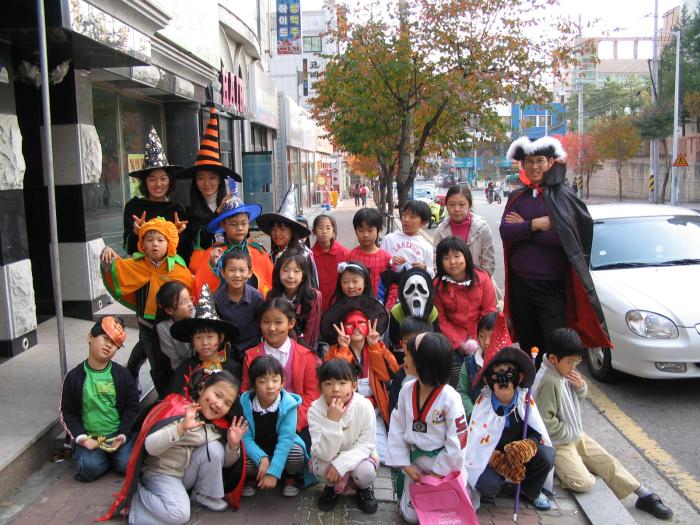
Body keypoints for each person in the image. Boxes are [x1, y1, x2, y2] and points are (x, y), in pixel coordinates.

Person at [532, 328, 673, 520]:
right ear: (553, 359)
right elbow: (546, 423)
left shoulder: (562, 371)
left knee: (606, 460)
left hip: (574, 435)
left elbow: (576, 398)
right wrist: (569, 433)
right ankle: (560, 468)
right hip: (558, 442)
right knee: (583, 483)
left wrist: (580, 387)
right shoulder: (549, 381)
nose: (573, 367)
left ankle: (643, 493)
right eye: (570, 362)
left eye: (576, 361)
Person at [500, 136, 610, 367]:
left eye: (539, 160)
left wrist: (525, 229)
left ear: (550, 162)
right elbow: (506, 231)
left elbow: (564, 238)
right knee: (529, 346)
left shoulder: (564, 196)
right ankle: (532, 385)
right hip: (522, 287)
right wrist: (536, 225)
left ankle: (554, 387)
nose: (534, 166)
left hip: (551, 289)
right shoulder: (517, 197)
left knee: (555, 345)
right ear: (523, 165)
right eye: (529, 161)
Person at [112, 368, 248, 524]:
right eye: (217, 395)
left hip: (183, 473)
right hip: (160, 472)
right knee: (180, 514)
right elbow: (150, 446)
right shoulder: (178, 410)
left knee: (215, 449)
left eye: (227, 403)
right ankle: (135, 501)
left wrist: (232, 445)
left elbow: (226, 463)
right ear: (202, 388)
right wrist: (180, 428)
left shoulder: (218, 425)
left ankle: (203, 494)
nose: (219, 404)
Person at [466, 313, 554, 511]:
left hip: (520, 454)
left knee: (546, 455)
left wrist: (526, 446)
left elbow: (536, 432)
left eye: (508, 373)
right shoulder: (483, 405)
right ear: (488, 380)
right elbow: (475, 442)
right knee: (487, 484)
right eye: (497, 375)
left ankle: (530, 490)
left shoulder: (524, 402)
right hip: (493, 456)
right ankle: (495, 486)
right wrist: (496, 459)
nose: (503, 380)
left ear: (519, 377)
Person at [101, 217, 194, 398]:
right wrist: (107, 255)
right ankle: (164, 398)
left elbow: (191, 287)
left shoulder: (178, 268)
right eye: (149, 240)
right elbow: (114, 270)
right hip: (147, 323)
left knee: (157, 353)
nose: (155, 244)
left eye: (160, 240)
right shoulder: (135, 265)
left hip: (169, 323)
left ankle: (133, 370)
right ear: (142, 244)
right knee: (157, 363)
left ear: (169, 243)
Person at [387, 332, 469, 524]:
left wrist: (438, 472)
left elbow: (458, 441)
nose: (404, 359)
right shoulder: (407, 390)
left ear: (424, 363)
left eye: (408, 356)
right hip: (415, 465)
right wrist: (405, 464)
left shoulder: (450, 398)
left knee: (441, 517)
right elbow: (397, 427)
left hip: (442, 466)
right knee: (411, 516)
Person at [59, 316, 138, 482]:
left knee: (127, 464)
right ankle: (101, 459)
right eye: (105, 338)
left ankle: (110, 458)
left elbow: (133, 408)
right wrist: (82, 438)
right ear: (90, 337)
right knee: (88, 468)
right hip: (89, 437)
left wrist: (122, 435)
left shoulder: (122, 374)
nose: (109, 345)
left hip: (117, 435)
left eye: (114, 343)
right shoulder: (73, 377)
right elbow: (67, 412)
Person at [321, 296, 399, 463]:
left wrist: (375, 346)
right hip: (345, 410)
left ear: (369, 325)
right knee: (346, 451)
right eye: (350, 324)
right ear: (342, 327)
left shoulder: (377, 346)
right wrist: (343, 349)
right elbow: (334, 379)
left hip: (374, 410)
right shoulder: (334, 351)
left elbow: (389, 374)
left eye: (361, 323)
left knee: (383, 457)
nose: (356, 328)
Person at [241, 298, 320, 448]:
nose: (271, 328)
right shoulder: (251, 356)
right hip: (261, 422)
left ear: (291, 323)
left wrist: (293, 422)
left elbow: (312, 395)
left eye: (278, 322)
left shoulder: (306, 356)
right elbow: (246, 392)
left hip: (297, 422)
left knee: (296, 453)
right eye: (266, 322)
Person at [308, 359, 379, 514]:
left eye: (342, 383)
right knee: (320, 468)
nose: (335, 389)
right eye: (328, 384)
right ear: (320, 387)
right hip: (329, 457)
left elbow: (367, 444)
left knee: (365, 472)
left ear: (354, 385)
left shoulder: (364, 406)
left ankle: (363, 488)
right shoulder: (315, 410)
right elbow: (322, 453)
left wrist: (341, 465)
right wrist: (332, 422)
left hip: (359, 457)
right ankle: (331, 487)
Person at [176, 107, 243, 264]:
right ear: (195, 181)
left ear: (220, 180)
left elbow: (242, 236)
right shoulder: (187, 213)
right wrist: (218, 213)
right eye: (201, 178)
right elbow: (194, 243)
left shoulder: (231, 205)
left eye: (212, 177)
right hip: (202, 270)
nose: (206, 183)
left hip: (232, 269)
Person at [240, 356, 311, 498]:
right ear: (253, 384)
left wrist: (273, 473)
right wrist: (261, 458)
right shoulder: (245, 404)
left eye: (275, 380)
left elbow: (286, 439)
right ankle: (254, 476)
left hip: (282, 447)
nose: (270, 386)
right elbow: (245, 438)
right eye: (262, 381)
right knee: (241, 457)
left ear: (282, 383)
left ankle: (289, 475)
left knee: (296, 453)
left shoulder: (288, 405)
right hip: (257, 448)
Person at [190, 184, 272, 301]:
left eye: (244, 223)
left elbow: (270, 284)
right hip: (222, 308)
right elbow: (201, 286)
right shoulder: (213, 254)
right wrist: (212, 265)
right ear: (223, 225)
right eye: (234, 224)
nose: (240, 228)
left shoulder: (258, 252)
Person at [433, 236, 497, 387]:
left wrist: (477, 340)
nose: (452, 262)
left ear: (466, 256)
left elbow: (489, 312)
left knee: (484, 377)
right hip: (453, 341)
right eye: (446, 258)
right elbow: (441, 319)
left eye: (457, 256)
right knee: (456, 378)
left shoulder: (483, 278)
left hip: (482, 337)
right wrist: (459, 343)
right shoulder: (438, 285)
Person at [122, 126, 186, 258]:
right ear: (145, 182)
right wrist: (136, 233)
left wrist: (178, 234)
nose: (158, 184)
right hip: (140, 269)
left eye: (163, 179)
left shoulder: (177, 211)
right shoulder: (133, 207)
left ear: (170, 181)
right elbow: (128, 248)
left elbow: (184, 252)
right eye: (152, 179)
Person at [168, 284, 242, 394]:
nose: (204, 342)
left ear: (220, 338)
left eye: (210, 337)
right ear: (193, 340)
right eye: (198, 337)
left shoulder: (233, 368)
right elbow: (174, 399)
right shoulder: (186, 368)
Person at [257, 184, 319, 287]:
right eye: (274, 229)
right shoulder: (271, 255)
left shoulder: (304, 255)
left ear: (292, 231)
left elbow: (313, 286)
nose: (277, 233)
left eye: (282, 229)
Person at [380, 200, 434, 308]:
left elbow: (431, 274)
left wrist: (424, 268)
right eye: (404, 214)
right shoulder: (389, 239)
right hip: (391, 295)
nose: (406, 219)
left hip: (414, 297)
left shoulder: (426, 246)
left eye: (412, 217)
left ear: (423, 222)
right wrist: (391, 262)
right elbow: (380, 266)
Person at [213, 250, 264, 363]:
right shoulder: (216, 299)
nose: (237, 275)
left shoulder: (257, 298)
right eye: (231, 270)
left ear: (250, 273)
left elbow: (262, 324)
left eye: (242, 270)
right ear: (222, 272)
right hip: (228, 350)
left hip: (254, 348)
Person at [433, 184, 496, 275]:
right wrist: (450, 282)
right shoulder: (441, 231)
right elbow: (437, 264)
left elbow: (489, 264)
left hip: (479, 281)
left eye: (462, 204)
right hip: (448, 282)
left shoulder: (482, 229)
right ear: (446, 205)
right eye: (451, 205)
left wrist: (477, 281)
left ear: (469, 205)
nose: (456, 209)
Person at [267, 252, 322, 352]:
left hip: (304, 349)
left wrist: (303, 353)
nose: (291, 276)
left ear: (303, 275)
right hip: (277, 347)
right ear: (278, 273)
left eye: (296, 271)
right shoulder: (272, 295)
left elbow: (311, 334)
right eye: (286, 270)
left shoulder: (313, 297)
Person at [383, 267, 439, 360]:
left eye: (421, 289)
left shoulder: (432, 311)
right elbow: (394, 340)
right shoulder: (396, 311)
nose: (416, 294)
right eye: (410, 289)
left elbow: (435, 338)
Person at [387, 317, 434, 417]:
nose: (412, 347)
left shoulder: (435, 373)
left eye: (417, 342)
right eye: (407, 342)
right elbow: (393, 411)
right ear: (401, 343)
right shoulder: (400, 376)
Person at [456, 311, 498, 420]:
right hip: (475, 420)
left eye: (491, 337)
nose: (486, 342)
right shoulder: (469, 364)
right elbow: (462, 392)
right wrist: (473, 413)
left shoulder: (510, 364)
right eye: (481, 336)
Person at [348, 208, 391, 298]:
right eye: (361, 230)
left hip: (379, 303)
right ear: (355, 231)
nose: (365, 235)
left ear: (379, 231)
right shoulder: (350, 256)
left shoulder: (386, 258)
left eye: (370, 230)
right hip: (357, 303)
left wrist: (388, 304)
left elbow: (392, 285)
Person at [311, 214, 349, 311]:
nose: (324, 232)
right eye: (320, 228)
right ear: (314, 231)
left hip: (339, 304)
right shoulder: (309, 256)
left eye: (328, 228)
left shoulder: (344, 253)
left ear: (333, 231)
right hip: (316, 305)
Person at [155, 281, 195, 371]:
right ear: (169, 310)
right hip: (183, 370)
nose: (190, 304)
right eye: (184, 302)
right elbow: (175, 361)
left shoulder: (198, 316)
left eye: (190, 299)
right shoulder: (164, 328)